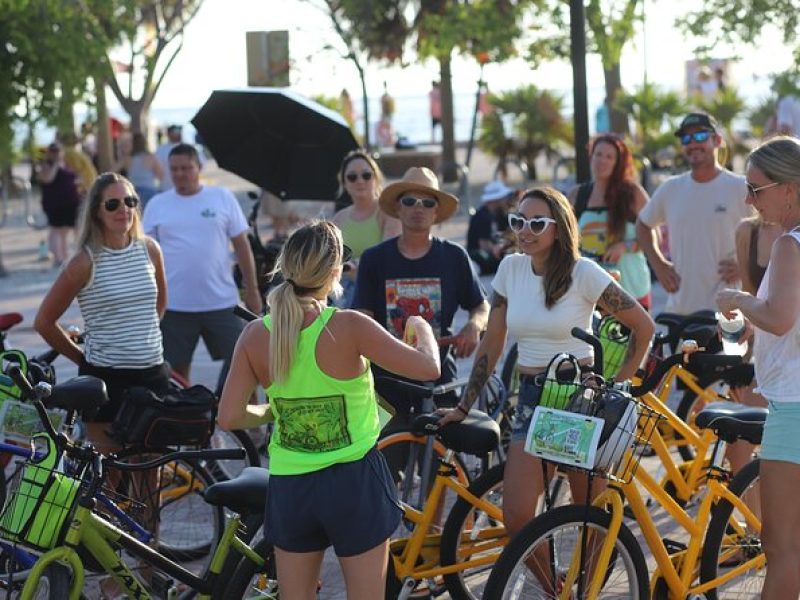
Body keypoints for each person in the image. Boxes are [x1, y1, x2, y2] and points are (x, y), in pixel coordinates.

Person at [439, 187, 654, 588]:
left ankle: (588, 590)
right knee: (517, 514)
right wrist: (466, 405)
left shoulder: (583, 272)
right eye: (518, 221)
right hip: (534, 397)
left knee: (589, 512)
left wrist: (617, 386)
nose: (525, 230)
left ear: (559, 227)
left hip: (580, 398)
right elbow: (494, 340)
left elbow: (643, 326)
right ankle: (555, 588)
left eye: (537, 222)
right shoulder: (510, 269)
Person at [217, 221, 441, 598]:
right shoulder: (349, 326)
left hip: (291, 486)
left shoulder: (256, 334)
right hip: (354, 481)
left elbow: (230, 417)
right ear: (336, 272)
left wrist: (278, 411)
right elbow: (428, 369)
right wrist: (422, 326)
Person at [715, 136, 800, 599]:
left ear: (788, 188)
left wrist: (740, 300)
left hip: (794, 403)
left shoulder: (790, 244)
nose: (748, 199)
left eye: (755, 188)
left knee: (781, 545)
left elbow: (780, 317)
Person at [34, 171, 169, 445]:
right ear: (97, 211)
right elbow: (44, 322)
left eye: (130, 201)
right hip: (107, 380)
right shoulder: (84, 262)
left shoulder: (150, 249)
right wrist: (81, 359)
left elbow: (160, 303)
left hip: (153, 372)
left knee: (151, 471)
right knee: (110, 479)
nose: (124, 209)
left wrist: (140, 336)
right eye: (112, 204)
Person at [353, 166, 490, 418]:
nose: (419, 208)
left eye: (427, 203)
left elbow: (481, 306)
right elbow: (361, 317)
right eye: (410, 201)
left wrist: (473, 326)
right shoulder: (374, 259)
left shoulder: (454, 256)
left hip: (438, 376)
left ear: (436, 211)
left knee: (442, 454)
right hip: (387, 381)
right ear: (398, 207)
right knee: (391, 453)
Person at [142, 143, 262, 393]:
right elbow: (145, 256)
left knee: (244, 363)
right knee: (175, 373)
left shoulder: (221, 197)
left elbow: (242, 246)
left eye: (186, 168)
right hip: (175, 305)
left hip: (222, 302)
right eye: (174, 169)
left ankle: (244, 426)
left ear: (199, 167)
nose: (180, 174)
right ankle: (184, 422)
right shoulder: (157, 204)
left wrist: (252, 289)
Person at [637, 112, 752, 315]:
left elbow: (772, 230)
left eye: (700, 136)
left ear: (717, 140)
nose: (693, 144)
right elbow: (642, 225)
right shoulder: (671, 188)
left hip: (729, 314)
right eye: (686, 139)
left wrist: (746, 265)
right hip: (679, 311)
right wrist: (659, 265)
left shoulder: (741, 187)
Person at [569, 135, 652, 309]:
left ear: (618, 162)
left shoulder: (633, 193)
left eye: (609, 157)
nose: (602, 161)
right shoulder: (578, 195)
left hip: (632, 292)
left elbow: (655, 239)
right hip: (591, 294)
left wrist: (624, 246)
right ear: (591, 156)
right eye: (598, 154)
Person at [331, 150, 401, 307]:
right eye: (352, 177)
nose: (360, 181)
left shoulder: (388, 213)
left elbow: (388, 258)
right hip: (342, 292)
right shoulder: (339, 219)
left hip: (379, 291)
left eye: (366, 175)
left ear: (376, 179)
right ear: (344, 183)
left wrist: (359, 273)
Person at [37, 143, 82, 267]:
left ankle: (66, 255)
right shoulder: (47, 165)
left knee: (67, 230)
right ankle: (58, 258)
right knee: (57, 229)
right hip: (55, 204)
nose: (56, 154)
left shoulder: (66, 164)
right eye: (53, 151)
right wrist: (55, 165)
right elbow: (47, 179)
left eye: (58, 151)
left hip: (71, 202)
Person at [467, 180, 515, 275]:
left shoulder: (500, 214)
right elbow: (484, 245)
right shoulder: (482, 216)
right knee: (482, 257)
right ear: (496, 199)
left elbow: (508, 234)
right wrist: (502, 249)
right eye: (504, 197)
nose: (507, 200)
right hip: (482, 253)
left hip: (496, 250)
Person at [118, 132, 164, 207]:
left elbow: (112, 171)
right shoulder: (150, 157)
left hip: (133, 191)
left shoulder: (127, 159)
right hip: (150, 190)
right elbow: (161, 175)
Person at [154, 124, 183, 191]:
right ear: (169, 134)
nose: (178, 134)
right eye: (175, 132)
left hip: (187, 191)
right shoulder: (161, 149)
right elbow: (156, 169)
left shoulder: (190, 147)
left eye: (179, 131)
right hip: (166, 189)